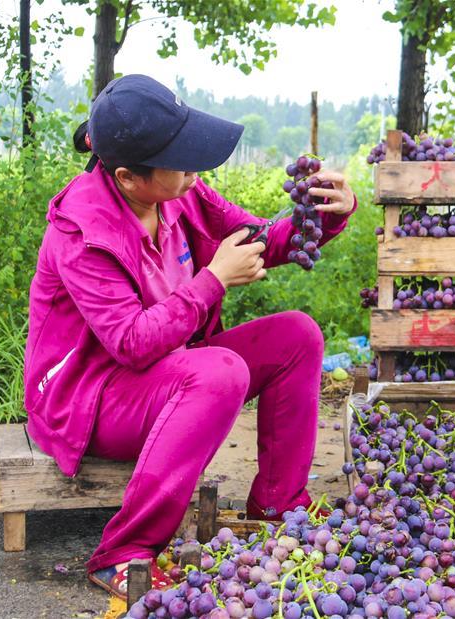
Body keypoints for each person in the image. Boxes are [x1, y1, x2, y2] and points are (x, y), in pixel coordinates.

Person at [23, 75, 357, 598]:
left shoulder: (180, 193)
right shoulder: (82, 232)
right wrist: (213, 280)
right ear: (129, 177)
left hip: (165, 369)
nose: (195, 171)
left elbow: (260, 241)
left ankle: (278, 506)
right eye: (181, 162)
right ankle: (124, 551)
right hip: (89, 399)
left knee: (298, 335)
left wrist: (321, 216)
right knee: (219, 372)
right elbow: (130, 343)